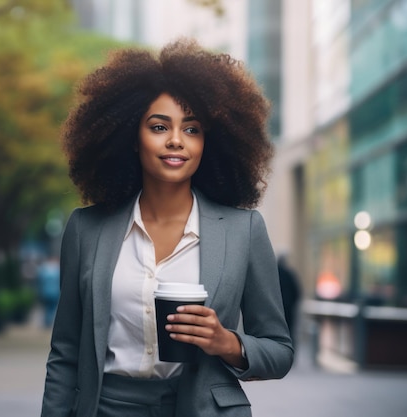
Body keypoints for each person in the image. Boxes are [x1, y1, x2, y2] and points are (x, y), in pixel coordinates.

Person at [41, 38, 293, 417]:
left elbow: (279, 350)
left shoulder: (245, 231)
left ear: (210, 142)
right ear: (131, 136)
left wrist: (227, 342)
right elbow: (65, 353)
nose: (176, 140)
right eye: (160, 126)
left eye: (192, 130)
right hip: (106, 408)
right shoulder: (86, 229)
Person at [277, 254, 302, 346]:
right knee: (289, 331)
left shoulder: (273, 275)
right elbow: (297, 292)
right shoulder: (290, 274)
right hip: (288, 308)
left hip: (277, 308)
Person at [36, 256, 61, 328]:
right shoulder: (57, 269)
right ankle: (49, 322)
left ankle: (47, 322)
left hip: (45, 291)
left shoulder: (43, 269)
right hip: (55, 292)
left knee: (47, 307)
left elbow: (39, 280)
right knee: (52, 307)